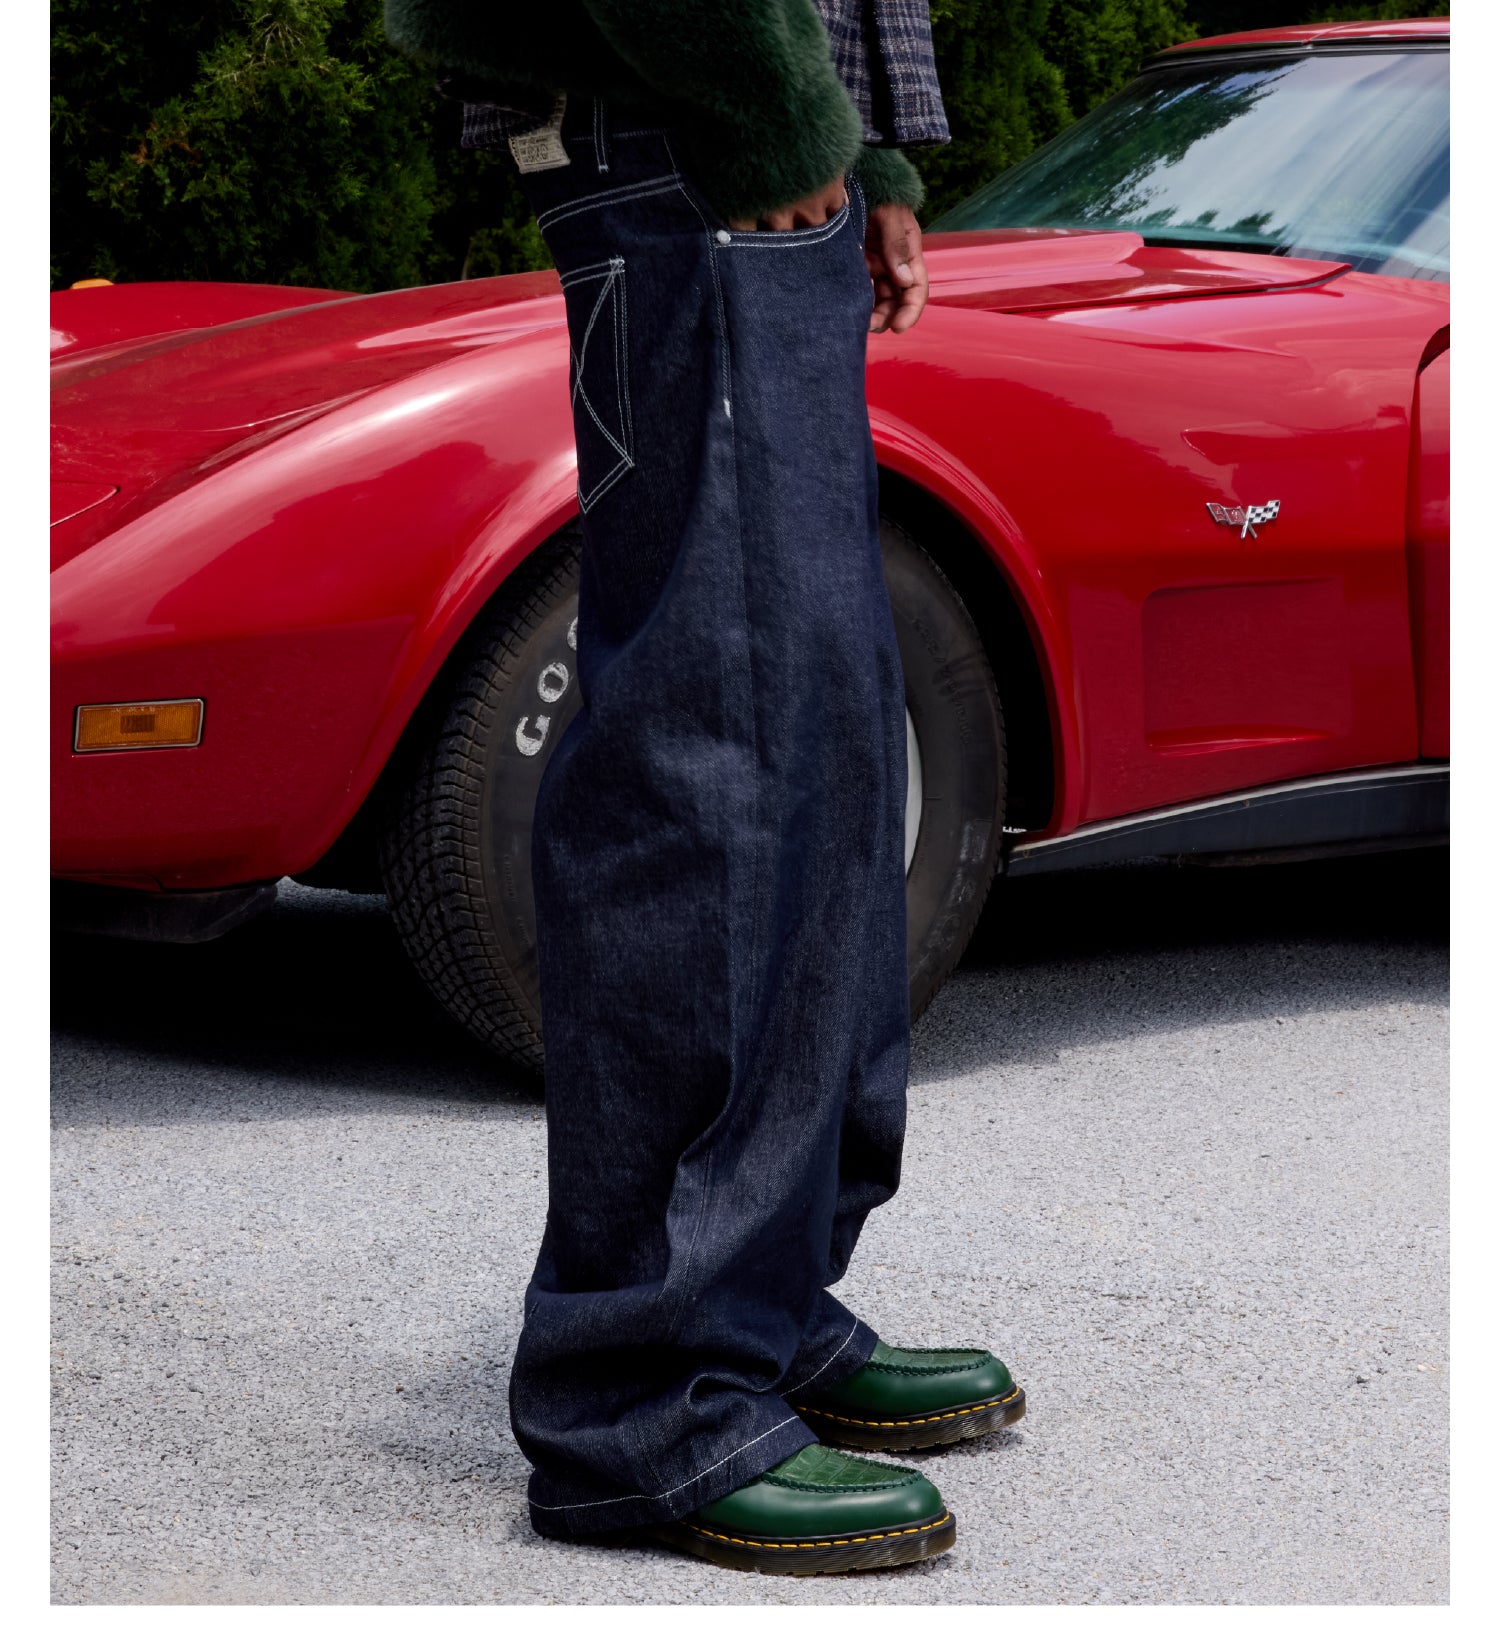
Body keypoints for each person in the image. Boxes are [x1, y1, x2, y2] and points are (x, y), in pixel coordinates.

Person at [383, 0, 1025, 1575]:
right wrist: (772, 112)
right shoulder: (733, 122)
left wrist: (862, 151)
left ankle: (762, 1303)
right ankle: (644, 1397)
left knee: (820, 739)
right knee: (711, 755)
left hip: (752, 139)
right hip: (692, 127)